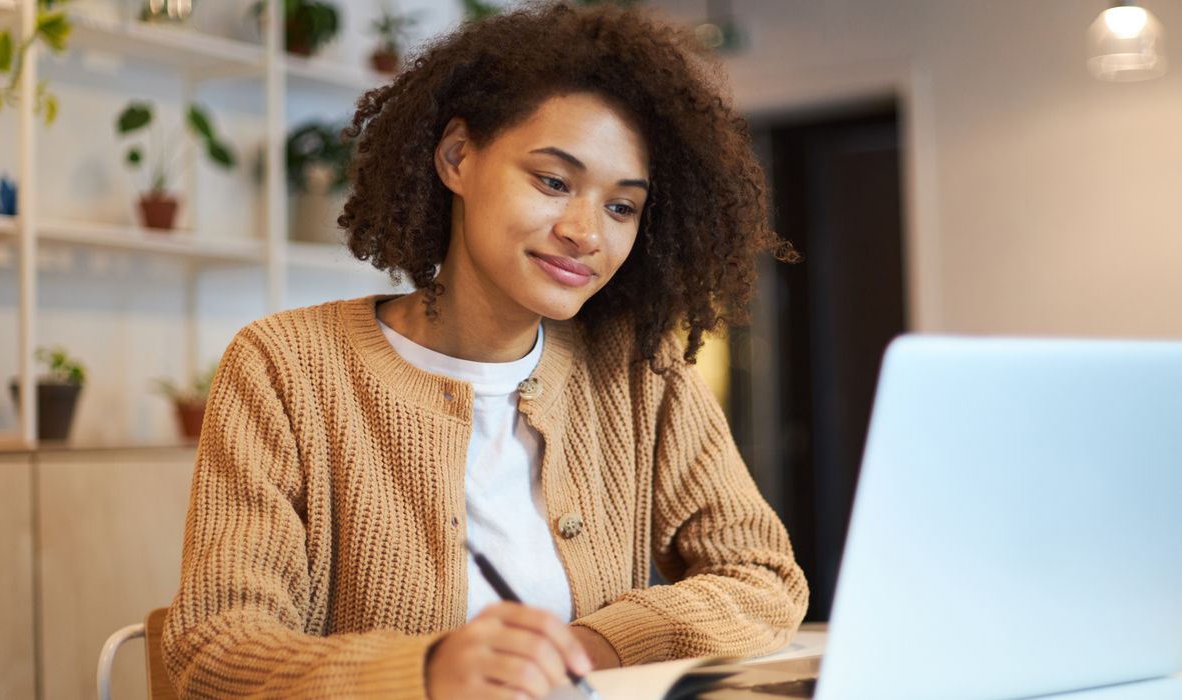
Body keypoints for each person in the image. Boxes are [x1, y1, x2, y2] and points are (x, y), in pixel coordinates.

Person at [162, 2, 808, 698]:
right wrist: (426, 673)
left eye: (620, 206)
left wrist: (593, 644)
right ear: (457, 158)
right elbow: (215, 648)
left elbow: (761, 577)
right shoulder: (286, 366)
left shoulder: (638, 373)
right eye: (553, 182)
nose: (584, 231)